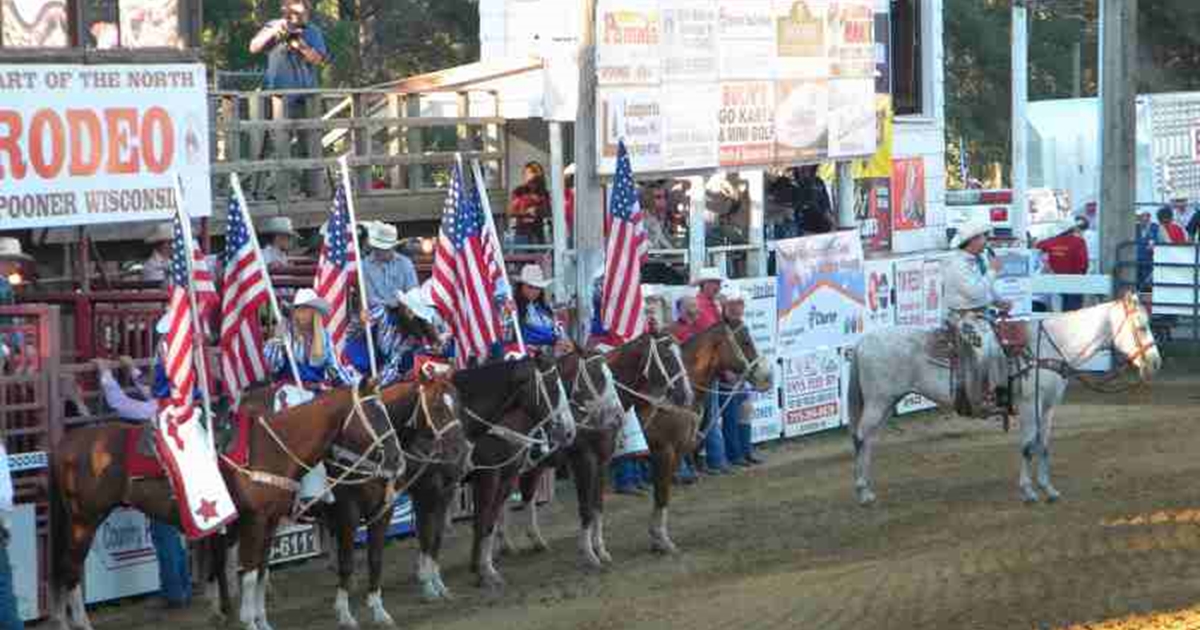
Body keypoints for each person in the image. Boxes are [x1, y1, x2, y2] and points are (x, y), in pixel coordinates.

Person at [92, 322, 192, 610]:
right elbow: (153, 394)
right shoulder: (180, 395)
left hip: (164, 477)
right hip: (183, 471)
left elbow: (121, 404)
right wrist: (133, 369)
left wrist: (106, 373)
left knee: (165, 532)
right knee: (174, 532)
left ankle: (174, 593)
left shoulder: (161, 407)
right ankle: (182, 588)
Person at [943, 221, 1012, 416]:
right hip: (962, 319)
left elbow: (982, 291)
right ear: (972, 240)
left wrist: (998, 301)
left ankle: (1000, 396)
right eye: (983, 237)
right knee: (984, 349)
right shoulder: (957, 264)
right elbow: (974, 292)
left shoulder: (974, 260)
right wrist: (992, 271)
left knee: (999, 348)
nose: (986, 241)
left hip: (978, 316)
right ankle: (981, 398)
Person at [716, 288, 762, 467]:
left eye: (740, 304)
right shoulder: (721, 328)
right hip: (726, 379)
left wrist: (750, 372)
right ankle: (735, 455)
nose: (738, 308)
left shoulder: (741, 326)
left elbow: (750, 351)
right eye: (735, 304)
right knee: (732, 416)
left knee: (744, 413)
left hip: (740, 377)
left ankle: (745, 451)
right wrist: (725, 371)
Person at [250, 0, 327, 92]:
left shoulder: (313, 31)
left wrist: (299, 45)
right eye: (294, 12)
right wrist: (273, 31)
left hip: (304, 94)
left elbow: (317, 60)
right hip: (275, 92)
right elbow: (253, 47)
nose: (297, 16)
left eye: (302, 12)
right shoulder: (274, 25)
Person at [513, 265, 570, 356]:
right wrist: (551, 346)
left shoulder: (544, 309)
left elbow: (559, 332)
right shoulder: (514, 309)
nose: (534, 291)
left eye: (538, 287)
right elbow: (517, 341)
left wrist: (563, 340)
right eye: (530, 287)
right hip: (528, 360)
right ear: (521, 287)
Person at [361, 222, 419, 310]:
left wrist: (407, 304)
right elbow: (370, 298)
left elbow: (413, 290)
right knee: (378, 312)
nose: (387, 252)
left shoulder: (405, 263)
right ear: (376, 248)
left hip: (403, 310)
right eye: (384, 249)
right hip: (377, 312)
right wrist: (392, 303)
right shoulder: (365, 266)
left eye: (389, 248)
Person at [1035, 221, 1089, 311]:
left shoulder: (1048, 242)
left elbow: (1037, 248)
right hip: (1074, 282)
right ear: (1071, 229)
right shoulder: (1079, 242)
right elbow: (1083, 263)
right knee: (1072, 314)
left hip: (1053, 282)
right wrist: (1082, 276)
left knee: (1054, 312)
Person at [507, 162, 551, 245]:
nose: (525, 176)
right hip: (522, 233)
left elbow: (548, 212)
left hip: (538, 233)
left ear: (537, 174)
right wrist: (525, 212)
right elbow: (510, 211)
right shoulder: (518, 191)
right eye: (524, 173)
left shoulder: (544, 193)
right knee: (522, 257)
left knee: (539, 257)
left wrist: (537, 211)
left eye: (528, 173)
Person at [790, 165, 835, 235]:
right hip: (803, 226)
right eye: (801, 167)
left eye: (808, 166)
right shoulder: (792, 184)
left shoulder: (818, 182)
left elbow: (826, 206)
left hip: (820, 224)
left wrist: (830, 221)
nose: (805, 169)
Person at [1135, 210, 1158, 290]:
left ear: (1148, 217)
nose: (1139, 219)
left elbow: (1158, 243)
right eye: (1138, 217)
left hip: (1150, 261)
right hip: (1136, 262)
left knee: (1148, 286)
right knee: (1136, 283)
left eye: (1141, 216)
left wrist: (1153, 246)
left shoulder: (1155, 228)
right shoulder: (1135, 227)